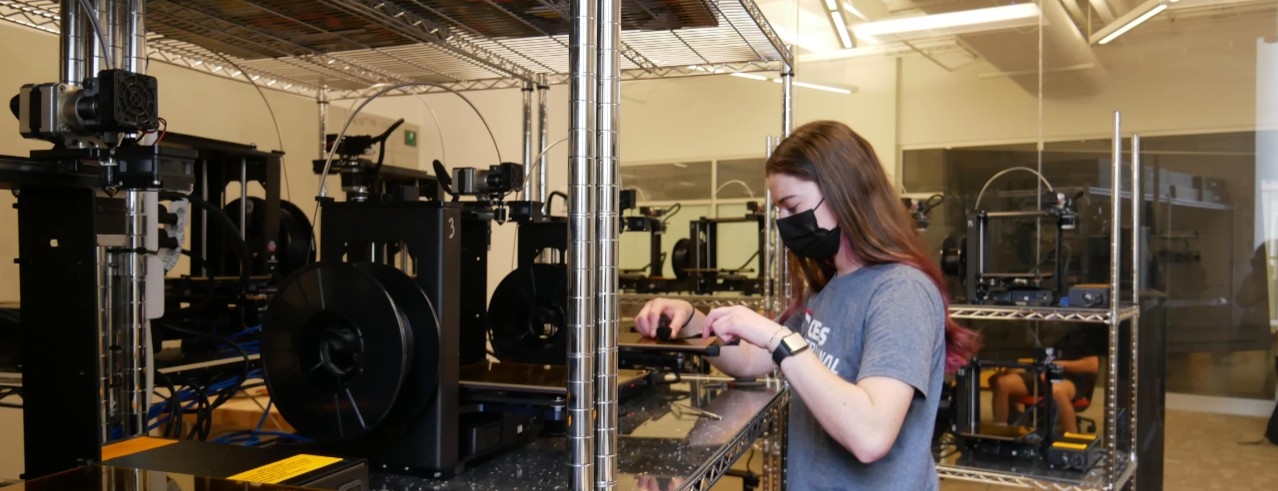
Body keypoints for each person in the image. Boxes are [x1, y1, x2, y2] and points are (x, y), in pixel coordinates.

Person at [634, 120, 979, 490]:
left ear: (843, 194)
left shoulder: (901, 292)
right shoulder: (831, 287)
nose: (783, 222)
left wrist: (778, 337)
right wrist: (690, 322)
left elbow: (871, 435)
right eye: (779, 209)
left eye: (791, 206)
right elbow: (753, 360)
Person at [989, 327, 1105, 434]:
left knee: (1056, 392)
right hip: (1042, 374)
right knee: (1002, 383)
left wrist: (1059, 365)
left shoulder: (1082, 334)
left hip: (1072, 378)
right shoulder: (1049, 332)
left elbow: (1092, 365)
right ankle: (1001, 431)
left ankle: (1071, 439)